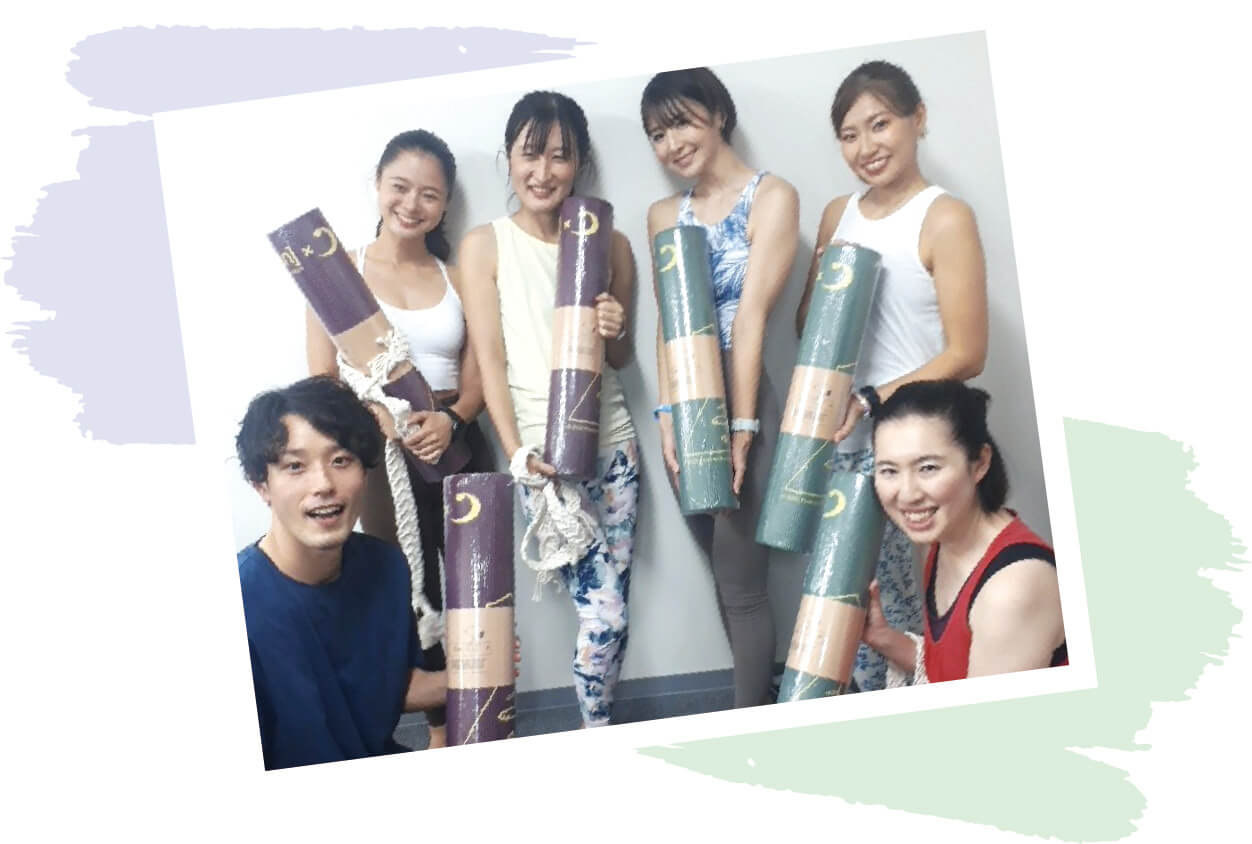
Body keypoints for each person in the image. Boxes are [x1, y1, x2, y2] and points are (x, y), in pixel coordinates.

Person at [795, 59, 989, 692]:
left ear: (917, 119)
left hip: (921, 446)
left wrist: (875, 397)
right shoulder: (837, 214)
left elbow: (968, 352)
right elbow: (809, 330)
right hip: (847, 447)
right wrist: (821, 278)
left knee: (922, 606)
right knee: (855, 607)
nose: (866, 147)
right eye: (849, 135)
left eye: (880, 125)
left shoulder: (945, 216)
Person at [458, 91, 640, 728]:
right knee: (605, 613)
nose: (543, 172)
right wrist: (515, 454)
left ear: (579, 164)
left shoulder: (612, 243)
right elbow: (490, 361)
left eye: (560, 156)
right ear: (508, 159)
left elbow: (622, 358)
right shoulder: (485, 245)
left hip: (615, 445)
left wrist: (615, 325)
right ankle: (598, 733)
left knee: (613, 612)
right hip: (542, 456)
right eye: (530, 154)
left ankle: (597, 726)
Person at [306, 129, 492, 747]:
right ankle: (440, 729)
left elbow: (479, 375)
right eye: (400, 187)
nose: (412, 205)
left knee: (477, 587)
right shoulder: (338, 274)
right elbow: (322, 380)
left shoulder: (458, 275)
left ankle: (487, 713)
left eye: (429, 195)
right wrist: (373, 417)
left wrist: (453, 419)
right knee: (412, 589)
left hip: (458, 444)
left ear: (445, 204)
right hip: (383, 454)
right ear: (378, 186)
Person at [641, 67, 800, 708]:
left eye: (681, 123)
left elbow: (752, 317)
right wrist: (666, 416)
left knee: (744, 585)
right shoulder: (662, 215)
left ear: (719, 115)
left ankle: (749, 723)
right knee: (723, 576)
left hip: (743, 397)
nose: (671, 144)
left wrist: (743, 426)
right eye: (657, 134)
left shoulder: (772, 197)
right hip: (683, 405)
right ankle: (755, 702)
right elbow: (666, 323)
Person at [234, 376, 448, 769]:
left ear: (364, 472)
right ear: (261, 484)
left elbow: (386, 687)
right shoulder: (242, 603)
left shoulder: (387, 568)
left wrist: (480, 667)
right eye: (295, 466)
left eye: (341, 460)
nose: (323, 484)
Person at [860, 379, 1066, 683]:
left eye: (928, 468)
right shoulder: (941, 540)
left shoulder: (1012, 589)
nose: (907, 494)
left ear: (980, 463)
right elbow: (951, 669)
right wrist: (883, 638)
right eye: (889, 470)